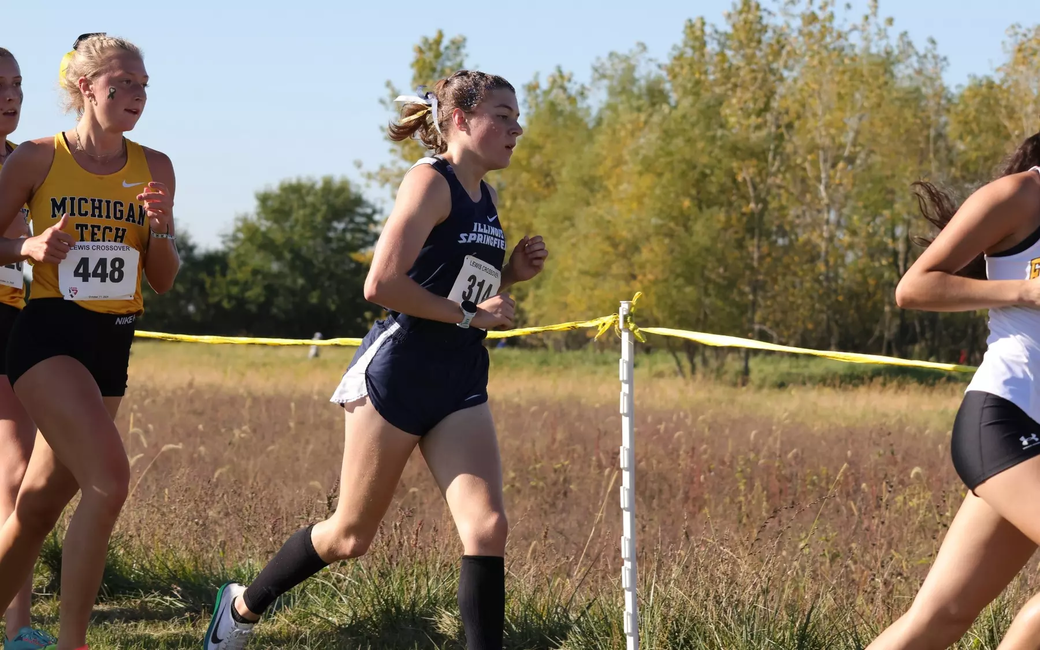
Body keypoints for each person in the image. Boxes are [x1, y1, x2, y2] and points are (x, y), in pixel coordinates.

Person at [203, 70, 548, 650]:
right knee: (349, 537)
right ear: (461, 120)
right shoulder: (429, 181)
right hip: (400, 372)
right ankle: (240, 609)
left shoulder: (487, 197)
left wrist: (509, 274)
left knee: (488, 528)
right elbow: (381, 284)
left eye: (517, 117)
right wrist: (471, 316)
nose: (518, 128)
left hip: (459, 376)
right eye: (503, 116)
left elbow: (453, 287)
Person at [0, 33, 180, 650]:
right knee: (108, 480)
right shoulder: (36, 158)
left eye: (143, 85)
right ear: (86, 86)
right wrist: (26, 246)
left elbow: (162, 279)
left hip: (113, 344)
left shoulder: (156, 167)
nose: (137, 94)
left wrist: (162, 231)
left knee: (35, 511)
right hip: (49, 337)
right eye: (123, 82)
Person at [869, 132, 1040, 650]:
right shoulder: (1019, 195)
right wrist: (1025, 290)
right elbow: (914, 287)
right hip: (1006, 419)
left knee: (941, 618)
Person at [0, 47, 57, 650]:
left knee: (17, 475)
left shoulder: (28, 160)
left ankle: (18, 630)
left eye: (17, 83)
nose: (11, 95)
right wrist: (22, 247)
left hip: (12, 321)